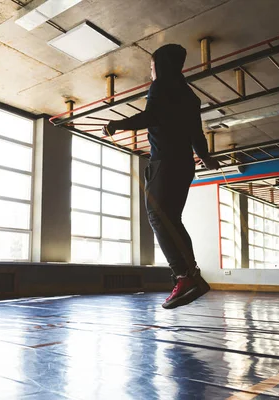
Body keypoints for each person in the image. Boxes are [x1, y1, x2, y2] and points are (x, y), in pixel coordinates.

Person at [102, 44, 220, 309]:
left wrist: (118, 124)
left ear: (161, 66)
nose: (150, 70)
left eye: (152, 65)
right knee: (172, 218)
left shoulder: (160, 86)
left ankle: (183, 277)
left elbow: (151, 116)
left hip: (165, 163)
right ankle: (192, 275)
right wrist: (206, 156)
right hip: (184, 165)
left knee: (157, 216)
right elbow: (196, 134)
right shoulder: (190, 96)